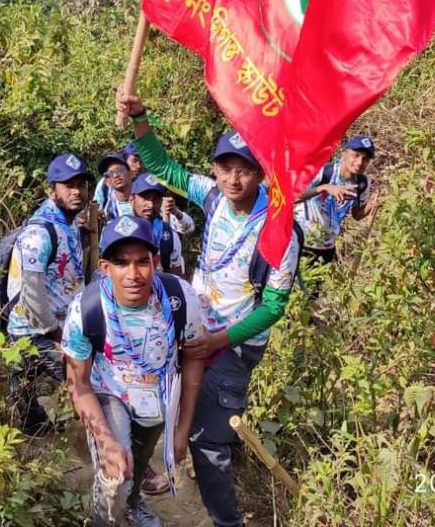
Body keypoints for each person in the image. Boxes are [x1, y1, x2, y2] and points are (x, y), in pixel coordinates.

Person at [116, 87, 300, 527]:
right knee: (160, 404)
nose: (233, 179)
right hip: (193, 330)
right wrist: (142, 117)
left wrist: (220, 340)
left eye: (245, 171)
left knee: (211, 440)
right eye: (225, 168)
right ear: (215, 169)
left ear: (261, 174)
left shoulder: (278, 230)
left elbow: (273, 306)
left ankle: (225, 520)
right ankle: (161, 474)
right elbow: (163, 168)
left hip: (233, 346)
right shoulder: (213, 197)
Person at [63, 215, 206, 527]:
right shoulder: (86, 308)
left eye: (142, 262)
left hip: (160, 395)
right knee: (116, 472)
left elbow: (195, 357)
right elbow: (78, 384)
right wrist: (107, 442)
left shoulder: (180, 298)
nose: (133, 274)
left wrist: (181, 430)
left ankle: (132, 503)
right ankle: (104, 520)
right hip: (109, 391)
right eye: (121, 263)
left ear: (155, 261)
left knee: (139, 461)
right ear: (105, 267)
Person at [6, 153, 93, 435]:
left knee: (27, 405)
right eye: (67, 185)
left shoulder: (67, 224)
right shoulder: (39, 233)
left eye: (81, 184)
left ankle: (41, 447)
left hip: (52, 329)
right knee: (89, 389)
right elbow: (30, 295)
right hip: (36, 333)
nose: (76, 191)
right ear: (52, 190)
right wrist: (58, 336)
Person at [293, 136, 378, 266]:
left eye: (365, 159)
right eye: (355, 155)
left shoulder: (362, 183)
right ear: (344, 154)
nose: (360, 162)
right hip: (302, 242)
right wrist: (324, 188)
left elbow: (357, 215)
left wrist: (371, 205)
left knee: (318, 286)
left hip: (327, 248)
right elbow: (294, 197)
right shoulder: (324, 172)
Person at [131, 173, 185, 276]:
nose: (151, 205)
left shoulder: (168, 236)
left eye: (156, 199)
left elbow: (175, 279)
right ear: (132, 199)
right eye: (145, 198)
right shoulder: (119, 231)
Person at [95, 152, 135, 220]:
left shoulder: (141, 202)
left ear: (130, 174)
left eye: (120, 170)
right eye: (110, 173)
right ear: (107, 181)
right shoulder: (106, 209)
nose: (116, 175)